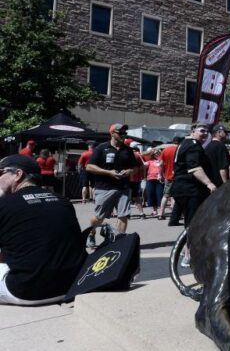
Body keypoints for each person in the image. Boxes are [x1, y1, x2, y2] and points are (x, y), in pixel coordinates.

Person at [0, 155, 87, 305]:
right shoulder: (62, 201)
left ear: (18, 175)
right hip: (73, 284)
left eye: (1, 173)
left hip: (28, 291)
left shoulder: (4, 205)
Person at [85, 123, 139, 247]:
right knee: (99, 218)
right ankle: (91, 234)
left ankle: (117, 243)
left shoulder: (128, 150)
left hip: (123, 188)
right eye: (121, 133)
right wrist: (108, 172)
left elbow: (136, 167)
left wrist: (130, 171)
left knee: (123, 216)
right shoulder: (101, 148)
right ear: (112, 133)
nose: (124, 135)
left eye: (125, 133)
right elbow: (89, 166)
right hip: (104, 188)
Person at [172, 123, 216, 267]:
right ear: (193, 131)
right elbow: (194, 168)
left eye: (207, 132)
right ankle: (188, 256)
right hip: (190, 189)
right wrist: (209, 183)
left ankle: (189, 254)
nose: (205, 133)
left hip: (182, 188)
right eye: (202, 131)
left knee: (190, 223)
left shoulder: (185, 143)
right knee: (193, 224)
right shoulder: (193, 145)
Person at [158, 136, 183, 224]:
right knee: (176, 196)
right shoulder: (181, 149)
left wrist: (160, 175)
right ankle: (175, 214)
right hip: (179, 176)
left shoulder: (165, 150)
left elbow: (160, 164)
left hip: (168, 176)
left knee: (165, 195)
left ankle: (161, 213)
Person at [143, 147, 164, 217]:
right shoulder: (150, 161)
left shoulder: (162, 160)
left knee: (160, 195)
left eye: (158, 153)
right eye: (155, 153)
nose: (156, 154)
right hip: (150, 179)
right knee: (151, 195)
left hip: (160, 180)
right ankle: (154, 210)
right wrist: (150, 151)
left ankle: (161, 211)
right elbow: (143, 163)